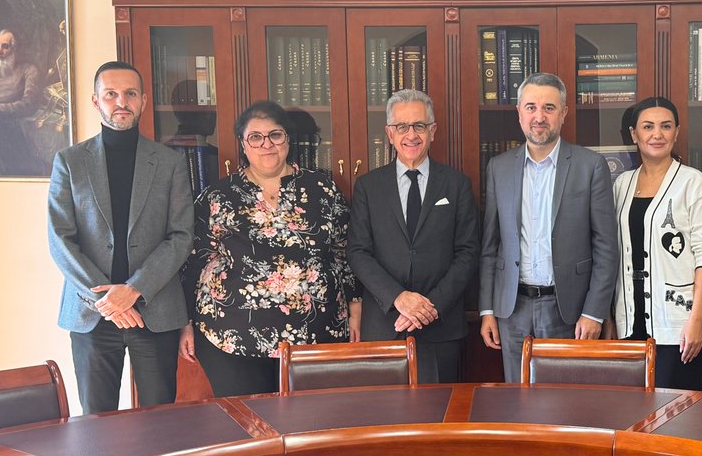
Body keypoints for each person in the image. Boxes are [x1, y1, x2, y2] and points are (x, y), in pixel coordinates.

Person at [180, 101, 360, 397]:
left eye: (275, 135)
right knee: (249, 430)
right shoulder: (217, 196)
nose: (267, 145)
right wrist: (185, 323)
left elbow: (344, 250)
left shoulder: (322, 188)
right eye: (256, 137)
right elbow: (194, 261)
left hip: (315, 333)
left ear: (287, 139)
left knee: (308, 428)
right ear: (243, 143)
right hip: (232, 336)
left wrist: (356, 309)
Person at [47, 61, 194, 413]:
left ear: (143, 101)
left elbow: (181, 235)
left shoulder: (170, 162)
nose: (121, 102)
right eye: (111, 94)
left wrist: (133, 290)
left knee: (160, 422)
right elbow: (60, 240)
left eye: (130, 94)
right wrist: (108, 300)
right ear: (96, 101)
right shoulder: (69, 162)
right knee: (97, 424)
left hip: (154, 310)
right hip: (91, 314)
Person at [479, 72, 617, 383]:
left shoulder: (589, 166)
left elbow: (606, 247)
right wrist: (487, 309)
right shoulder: (498, 167)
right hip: (511, 309)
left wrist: (595, 312)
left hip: (567, 308)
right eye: (531, 107)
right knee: (517, 400)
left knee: (565, 404)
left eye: (549, 108)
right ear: (519, 113)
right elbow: (490, 246)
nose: (539, 117)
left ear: (564, 113)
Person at [347, 89, 479, 383]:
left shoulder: (456, 185)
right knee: (387, 418)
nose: (411, 134)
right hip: (384, 324)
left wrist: (429, 307)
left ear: (432, 131)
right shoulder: (368, 186)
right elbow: (358, 252)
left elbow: (468, 253)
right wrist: (399, 299)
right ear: (389, 134)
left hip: (440, 326)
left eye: (419, 125)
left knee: (439, 417)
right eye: (401, 127)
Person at [609, 98, 702, 390]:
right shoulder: (622, 184)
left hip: (678, 325)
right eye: (648, 127)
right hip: (629, 322)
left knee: (676, 417)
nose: (657, 134)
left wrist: (697, 320)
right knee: (632, 415)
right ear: (634, 134)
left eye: (665, 126)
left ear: (677, 132)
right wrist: (610, 318)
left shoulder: (693, 183)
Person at [0, 27, 48, 175]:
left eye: (5, 46)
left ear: (16, 48)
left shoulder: (29, 70)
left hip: (12, 129)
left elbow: (29, 104)